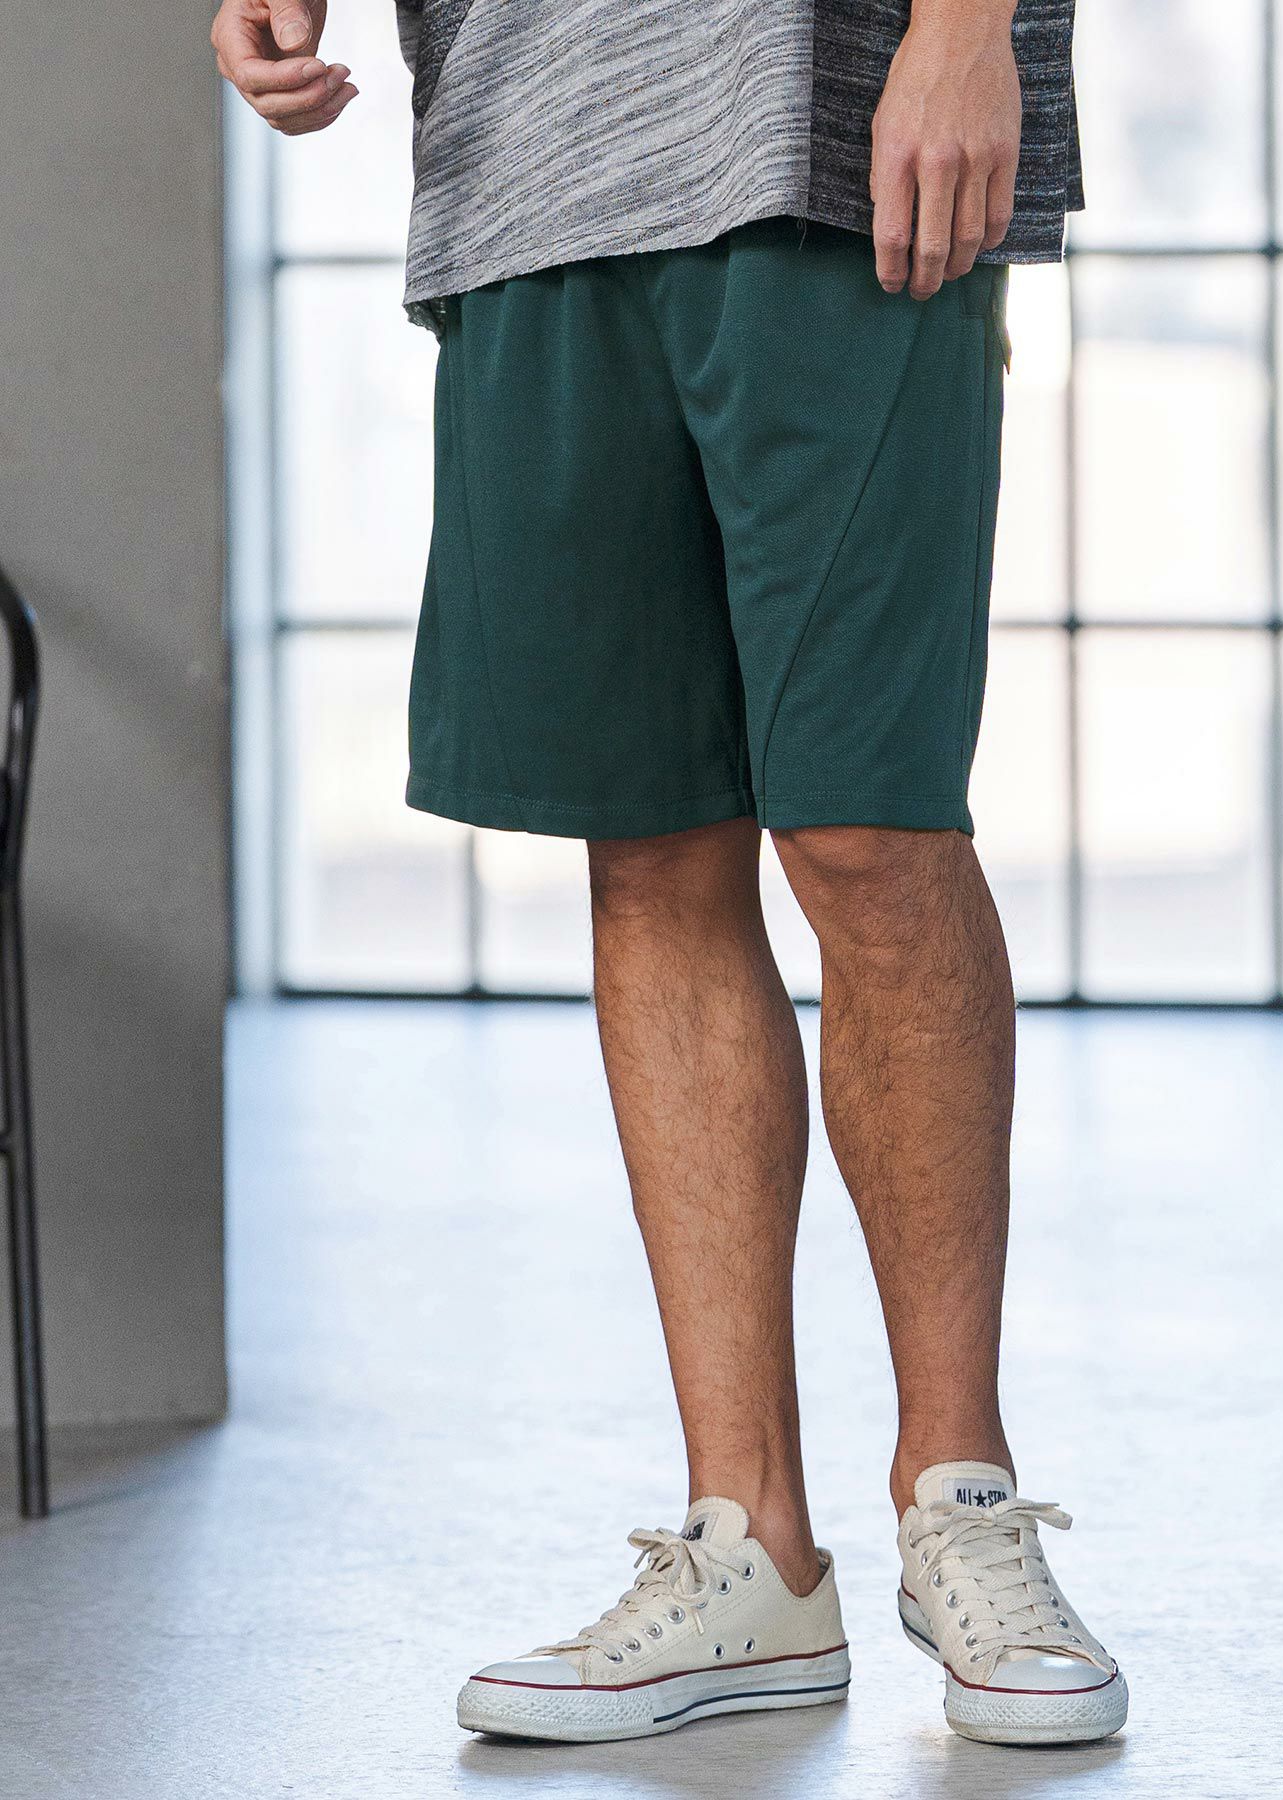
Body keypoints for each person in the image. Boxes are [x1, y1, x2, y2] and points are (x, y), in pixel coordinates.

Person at [213, 0, 1128, 1749]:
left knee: (871, 830)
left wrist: (965, 26)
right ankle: (749, 1550)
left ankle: (963, 1498)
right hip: (525, 149)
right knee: (648, 841)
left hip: (831, 121)